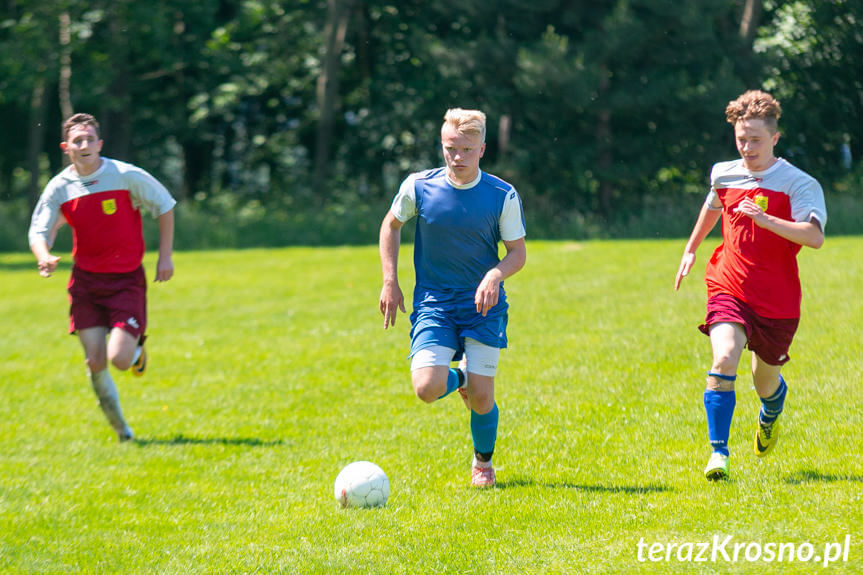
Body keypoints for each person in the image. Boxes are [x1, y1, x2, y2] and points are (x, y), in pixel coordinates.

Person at [674, 90, 827, 480]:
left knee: (765, 381)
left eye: (755, 140)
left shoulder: (799, 183)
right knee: (724, 358)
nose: (746, 147)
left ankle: (772, 410)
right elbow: (713, 207)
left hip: (777, 300)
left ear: (775, 138)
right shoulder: (724, 172)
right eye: (741, 139)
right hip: (728, 283)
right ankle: (718, 454)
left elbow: (814, 236)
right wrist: (691, 249)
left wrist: (768, 221)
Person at [379, 108, 526, 488]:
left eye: (465, 149)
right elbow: (390, 225)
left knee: (481, 398)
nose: (456, 157)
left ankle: (483, 464)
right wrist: (390, 280)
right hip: (434, 303)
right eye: (449, 148)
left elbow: (517, 253)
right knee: (426, 388)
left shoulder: (501, 195)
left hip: (483, 306)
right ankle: (459, 376)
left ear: (482, 149)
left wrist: (495, 274)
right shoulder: (419, 186)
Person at [28, 113, 176, 442]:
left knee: (119, 359)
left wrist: (164, 256)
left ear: (100, 144)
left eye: (90, 139)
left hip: (125, 281)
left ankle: (136, 351)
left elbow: (164, 205)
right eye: (77, 141)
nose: (84, 146)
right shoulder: (60, 187)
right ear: (66, 147)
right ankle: (122, 431)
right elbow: (40, 229)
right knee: (95, 360)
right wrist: (44, 256)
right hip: (86, 284)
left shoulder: (124, 175)